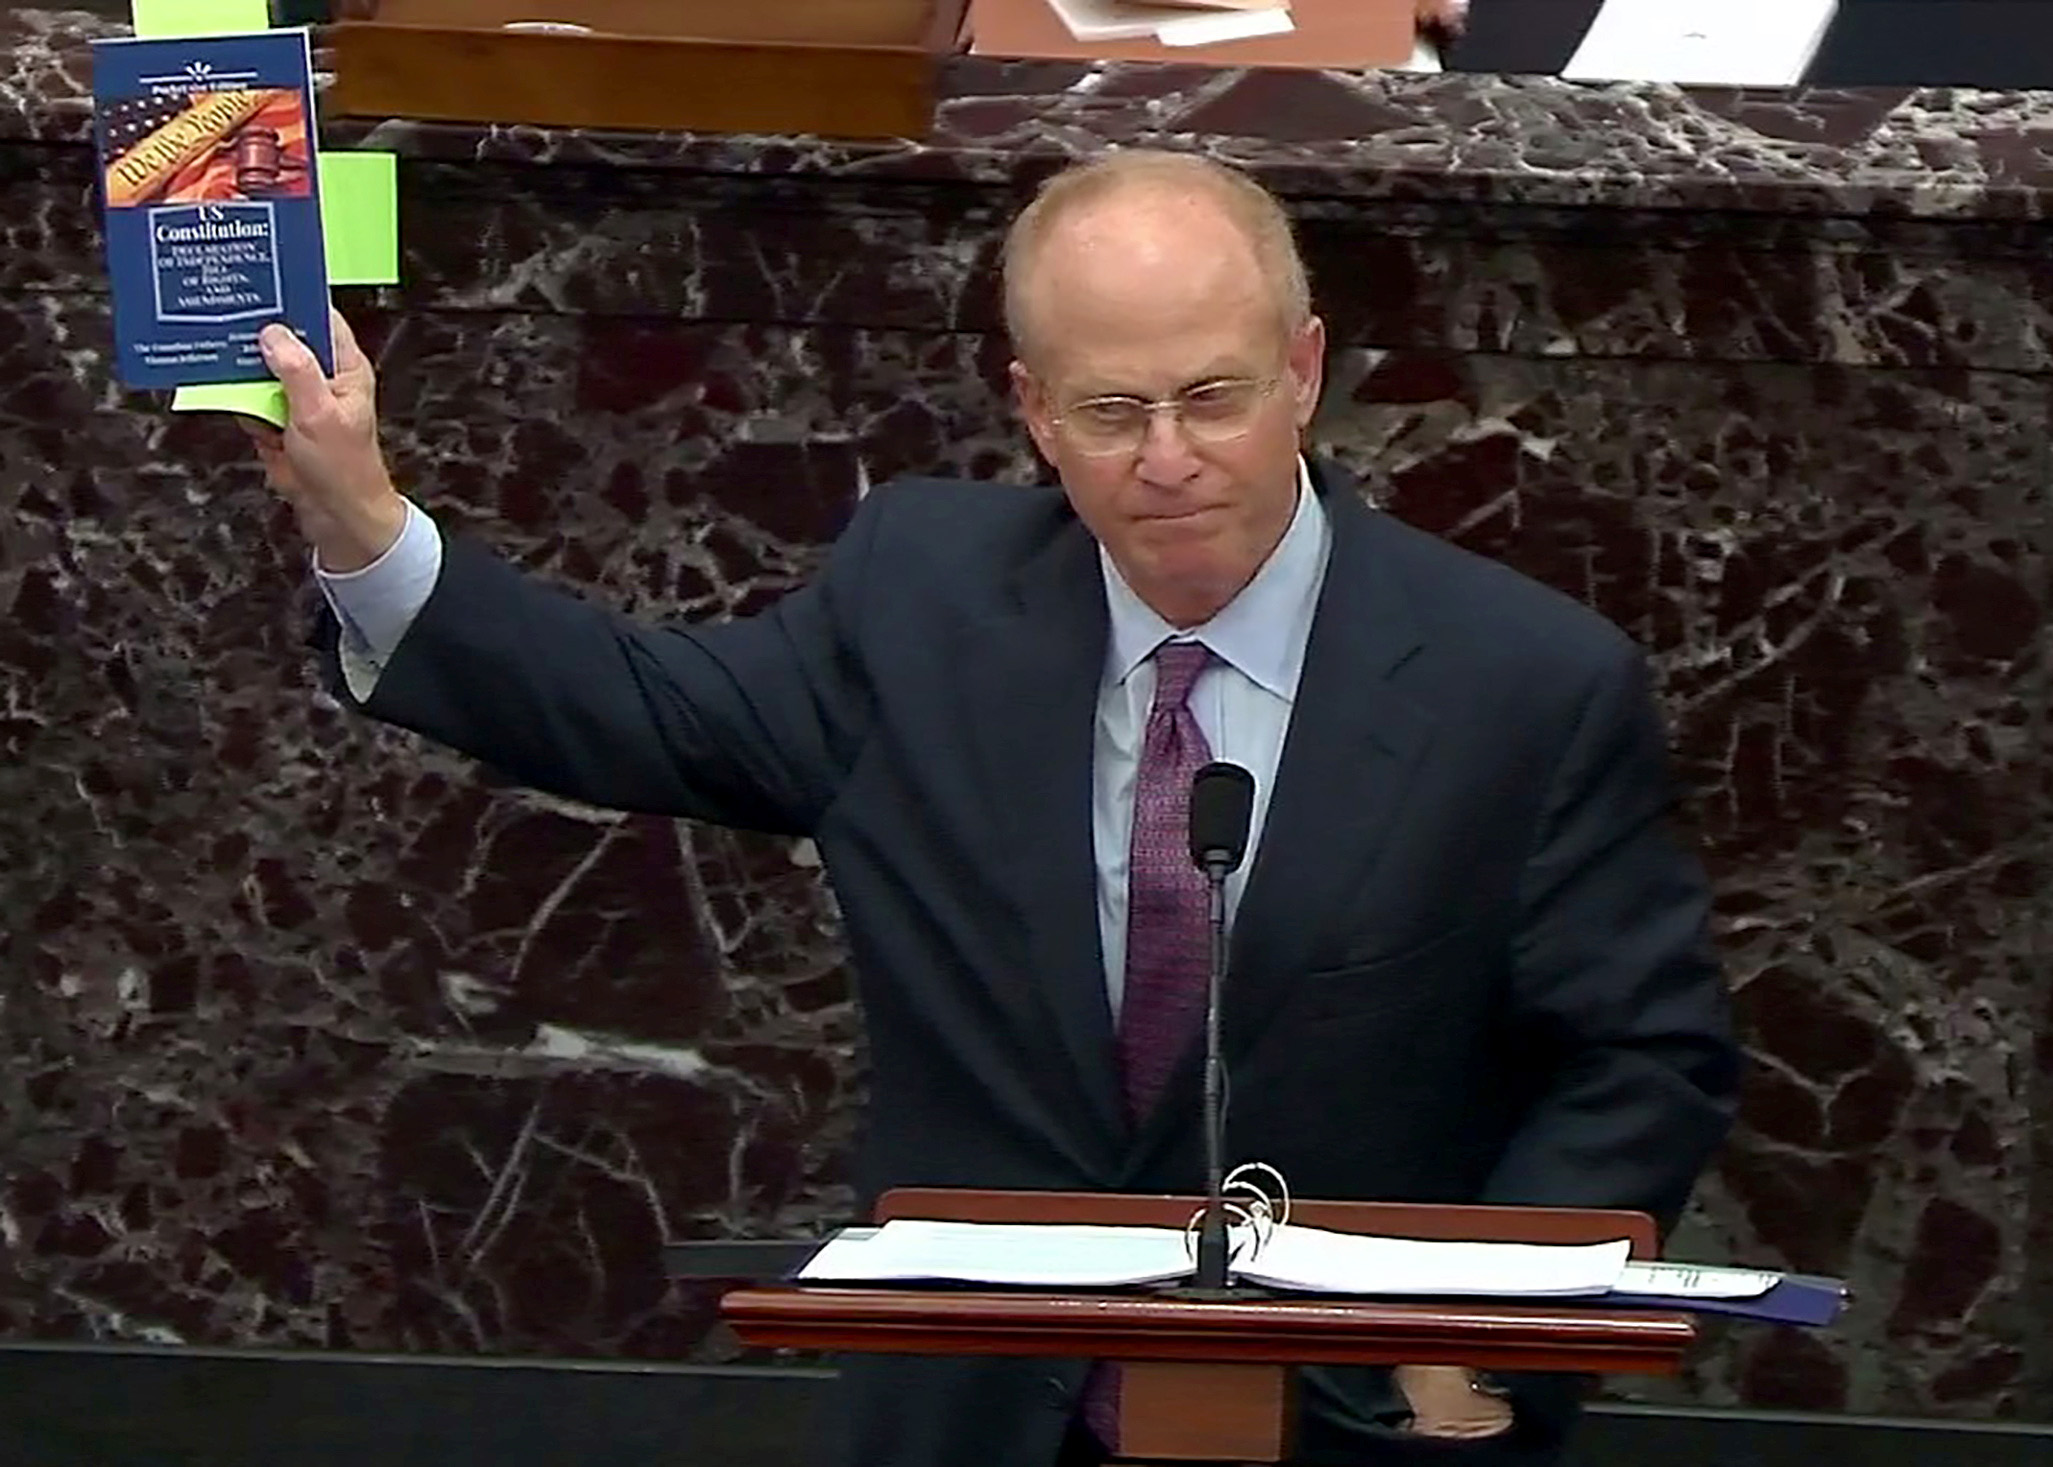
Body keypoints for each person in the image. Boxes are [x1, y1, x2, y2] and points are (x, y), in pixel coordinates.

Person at [245, 149, 1738, 1467]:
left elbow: (1641, 1059)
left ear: (1304, 368)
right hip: (976, 1412)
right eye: (1111, 410)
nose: (1168, 460)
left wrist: (1483, 1357)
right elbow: (649, 712)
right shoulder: (924, 599)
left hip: (1348, 1423)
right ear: (1031, 410)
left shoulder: (1522, 684)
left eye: (1212, 397)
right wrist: (366, 526)